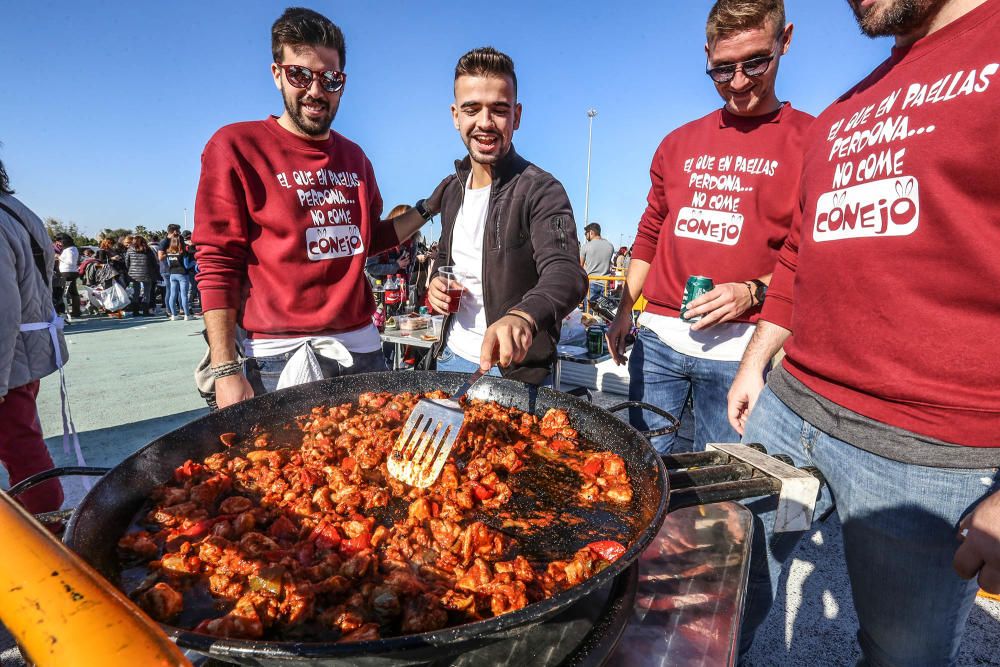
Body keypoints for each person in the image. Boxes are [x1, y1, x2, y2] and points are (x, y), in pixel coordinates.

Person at [726, 0, 1000, 663]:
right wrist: (755, 361)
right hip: (789, 425)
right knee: (731, 588)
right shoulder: (848, 106)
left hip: (924, 465)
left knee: (899, 652)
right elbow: (799, 254)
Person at [193, 7, 445, 408]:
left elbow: (368, 237)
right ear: (277, 73)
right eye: (299, 75)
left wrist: (429, 207)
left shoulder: (356, 158)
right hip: (279, 357)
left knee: (372, 465)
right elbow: (218, 260)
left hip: (363, 350)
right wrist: (226, 370)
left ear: (342, 82)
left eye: (330, 78)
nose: (315, 89)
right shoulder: (236, 147)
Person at [606, 0, 813, 453]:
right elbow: (650, 231)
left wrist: (753, 290)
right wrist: (624, 310)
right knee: (641, 475)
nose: (738, 82)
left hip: (741, 351)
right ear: (706, 55)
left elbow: (812, 259)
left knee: (726, 502)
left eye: (755, 63)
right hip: (658, 342)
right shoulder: (676, 143)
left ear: (786, 40)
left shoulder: (813, 142)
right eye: (722, 70)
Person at [428, 47, 588, 383]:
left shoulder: (541, 189)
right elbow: (444, 257)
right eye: (472, 109)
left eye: (498, 110)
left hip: (516, 375)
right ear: (456, 115)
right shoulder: (454, 191)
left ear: (516, 115)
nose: (485, 123)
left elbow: (566, 272)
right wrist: (435, 286)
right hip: (450, 359)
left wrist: (523, 316)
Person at [0, 157, 66, 514]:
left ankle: (47, 528)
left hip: (8, 358)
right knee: (22, 444)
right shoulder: (14, 207)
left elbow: (1, 311)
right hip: (23, 350)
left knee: (22, 451)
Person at [580, 222, 615, 302]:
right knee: (604, 312)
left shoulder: (586, 246)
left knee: (589, 312)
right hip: (606, 284)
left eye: (586, 233)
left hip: (591, 282)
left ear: (591, 232)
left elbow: (580, 267)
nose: (585, 236)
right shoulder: (610, 246)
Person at [124, 235, 158, 317]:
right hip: (147, 273)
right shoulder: (148, 250)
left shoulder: (130, 250)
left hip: (134, 274)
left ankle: (135, 311)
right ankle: (145, 311)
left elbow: (127, 262)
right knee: (147, 293)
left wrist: (131, 270)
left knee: (136, 293)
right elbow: (154, 262)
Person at [164, 233, 192, 320]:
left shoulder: (168, 252)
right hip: (183, 275)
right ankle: (187, 315)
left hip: (172, 274)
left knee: (173, 295)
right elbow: (187, 265)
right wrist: (194, 263)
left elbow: (169, 264)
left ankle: (174, 315)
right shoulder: (183, 252)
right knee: (184, 295)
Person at [57, 233, 82, 321]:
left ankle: (71, 312)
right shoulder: (72, 248)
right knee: (73, 292)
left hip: (67, 273)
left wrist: (59, 257)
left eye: (60, 241)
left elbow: (71, 261)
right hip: (70, 272)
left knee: (66, 293)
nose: (59, 244)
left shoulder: (70, 249)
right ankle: (76, 311)